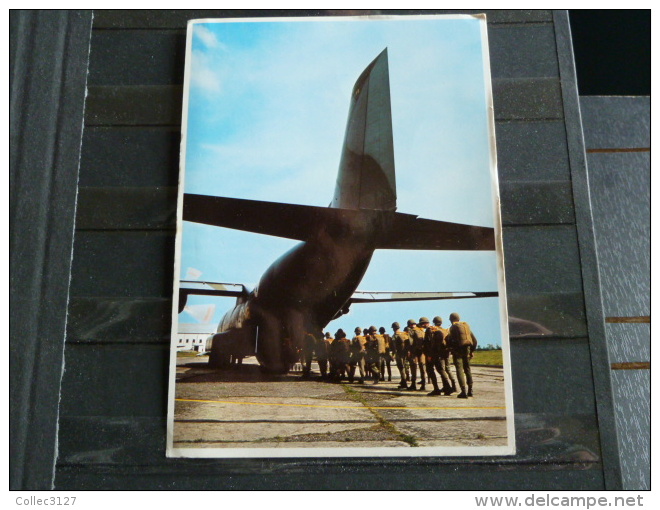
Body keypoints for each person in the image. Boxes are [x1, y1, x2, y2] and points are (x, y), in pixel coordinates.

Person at [447, 312, 478, 398]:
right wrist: (472, 351)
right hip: (467, 350)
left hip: (458, 351)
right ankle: (470, 390)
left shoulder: (453, 328)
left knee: (459, 370)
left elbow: (450, 340)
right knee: (467, 369)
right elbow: (475, 341)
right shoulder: (466, 327)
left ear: (451, 319)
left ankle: (463, 391)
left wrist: (450, 349)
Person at [424, 316, 456, 396]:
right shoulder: (444, 330)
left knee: (430, 370)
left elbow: (429, 344)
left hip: (433, 354)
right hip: (443, 354)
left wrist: (429, 355)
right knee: (441, 370)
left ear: (434, 322)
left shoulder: (430, 330)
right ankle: (447, 387)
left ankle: (437, 389)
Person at [407, 317, 428, 391]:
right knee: (422, 367)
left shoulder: (411, 331)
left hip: (414, 351)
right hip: (422, 351)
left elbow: (410, 342)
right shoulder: (422, 330)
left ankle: (413, 385)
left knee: (413, 367)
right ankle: (423, 385)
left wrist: (409, 351)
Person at [391, 322, 411, 389]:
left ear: (393, 328)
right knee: (404, 367)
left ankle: (404, 382)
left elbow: (394, 347)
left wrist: (393, 354)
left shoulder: (395, 336)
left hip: (399, 353)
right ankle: (404, 381)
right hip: (405, 353)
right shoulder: (404, 334)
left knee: (401, 368)